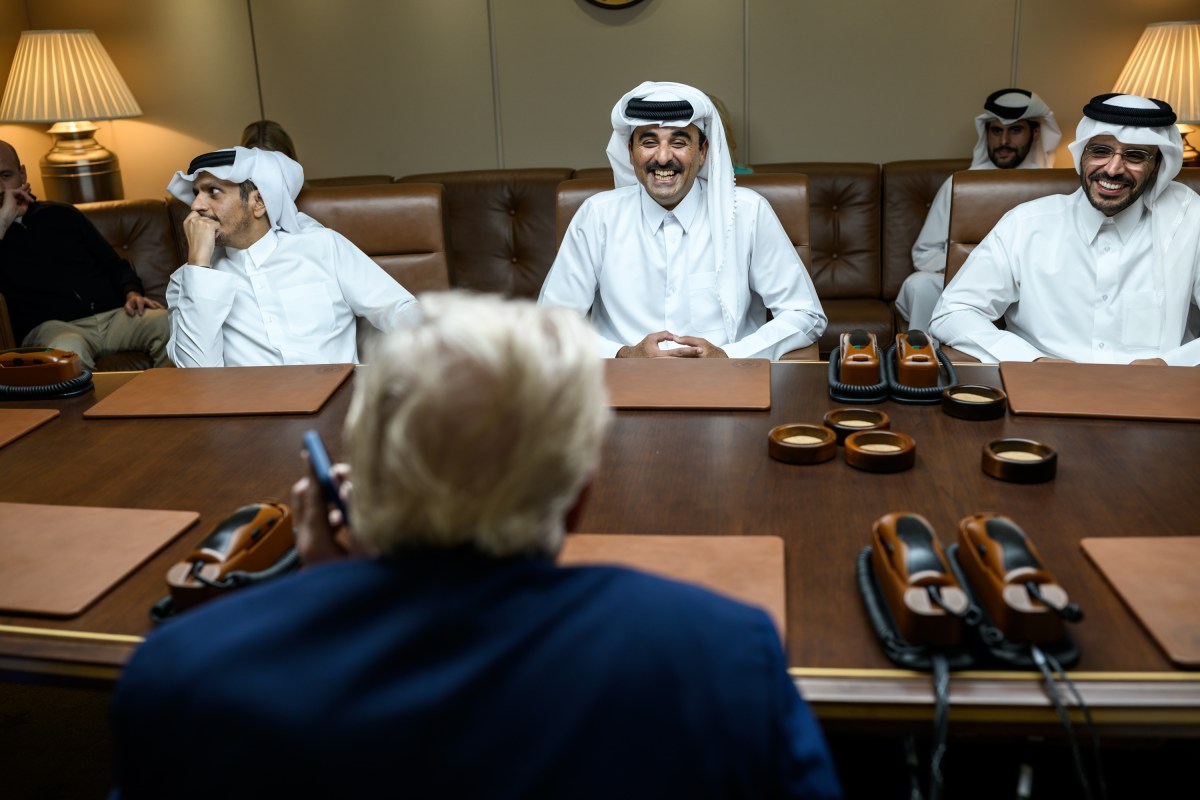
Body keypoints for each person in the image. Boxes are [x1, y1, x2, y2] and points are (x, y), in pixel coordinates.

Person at [109, 291, 843, 800]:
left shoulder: (183, 671)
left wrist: (321, 587)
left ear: (358, 475)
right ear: (580, 497)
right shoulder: (721, 653)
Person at [539, 81, 826, 359]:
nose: (663, 158)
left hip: (726, 385)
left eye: (679, 142)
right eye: (649, 142)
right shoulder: (597, 217)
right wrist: (623, 354)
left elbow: (805, 314)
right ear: (631, 152)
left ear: (702, 152)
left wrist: (729, 355)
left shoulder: (748, 213)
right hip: (620, 386)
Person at [930, 93, 1200, 366]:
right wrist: (1032, 360)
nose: (1114, 169)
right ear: (1081, 155)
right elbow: (953, 311)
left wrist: (1172, 364)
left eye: (1135, 156)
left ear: (1156, 167)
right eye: (1100, 151)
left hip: (1159, 396)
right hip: (1042, 390)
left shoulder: (1189, 223)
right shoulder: (1026, 225)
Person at [164, 146, 419, 367]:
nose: (196, 206)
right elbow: (197, 376)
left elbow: (398, 310)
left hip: (339, 410)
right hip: (251, 419)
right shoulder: (187, 282)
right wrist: (198, 266)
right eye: (196, 193)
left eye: (213, 191)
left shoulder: (322, 247)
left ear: (259, 202)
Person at [897, 89, 1060, 332]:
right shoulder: (960, 184)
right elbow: (925, 254)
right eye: (996, 131)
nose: (1004, 141)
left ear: (1035, 134)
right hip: (963, 280)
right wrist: (976, 266)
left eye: (1015, 130)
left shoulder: (1055, 189)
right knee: (920, 285)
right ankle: (923, 363)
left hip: (1032, 286)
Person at [0, 140, 169, 370]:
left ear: (22, 174)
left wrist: (132, 293)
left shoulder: (61, 213)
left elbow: (114, 264)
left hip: (114, 316)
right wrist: (4, 220)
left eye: (5, 175)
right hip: (55, 329)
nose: (0, 188)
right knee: (67, 354)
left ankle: (173, 404)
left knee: (170, 323)